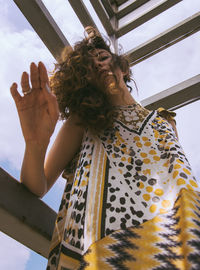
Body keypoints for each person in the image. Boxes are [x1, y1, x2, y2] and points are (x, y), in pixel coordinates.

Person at [10, 27, 200, 270]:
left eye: (102, 57)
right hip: (103, 249)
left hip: (178, 239)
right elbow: (38, 185)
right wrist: (35, 144)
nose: (98, 66)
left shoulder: (164, 121)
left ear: (123, 67)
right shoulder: (83, 121)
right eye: (88, 67)